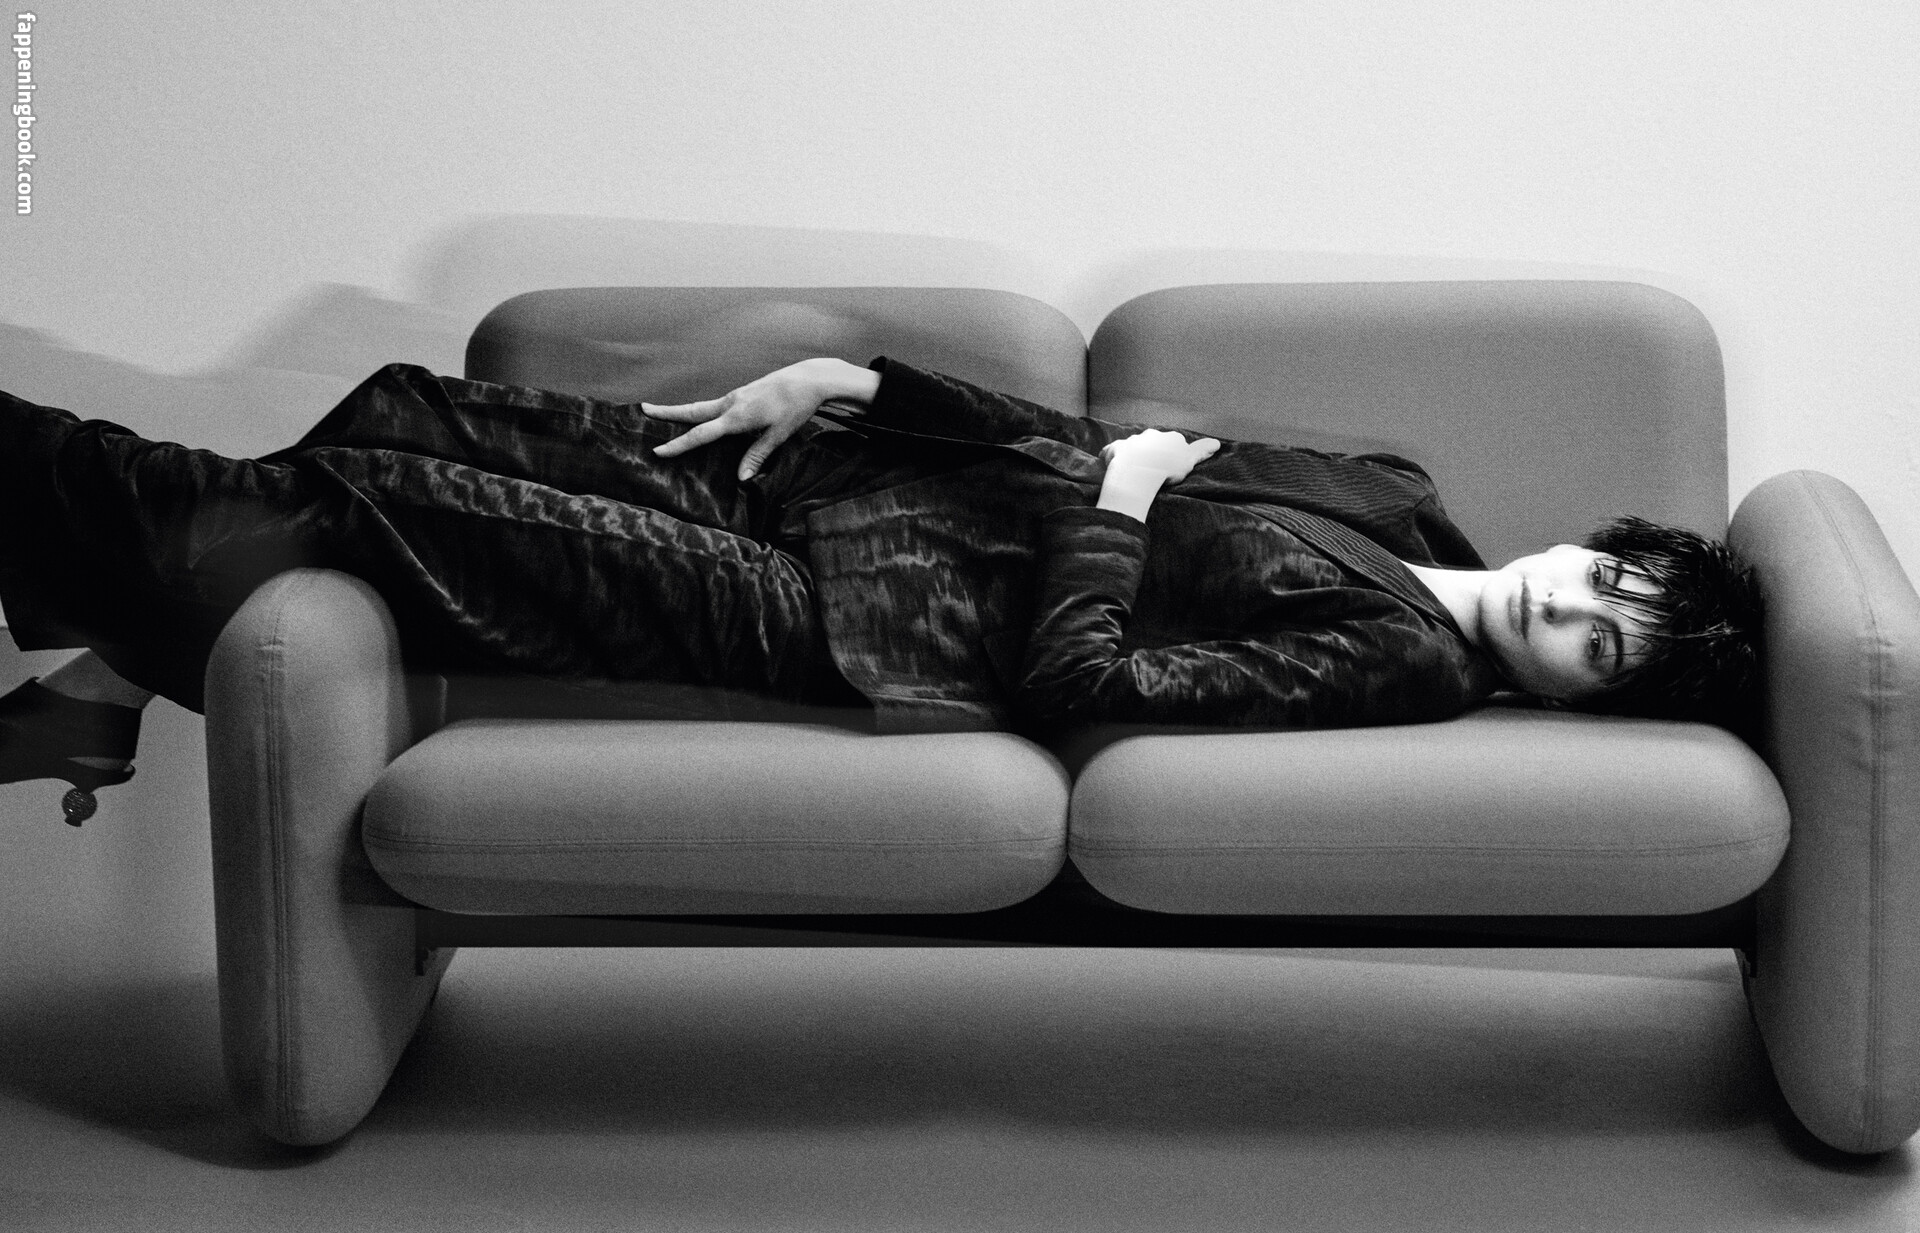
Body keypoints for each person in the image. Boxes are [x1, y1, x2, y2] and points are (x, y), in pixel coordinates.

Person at [0, 355, 1762, 825]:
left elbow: (1087, 685)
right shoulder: (1401, 493)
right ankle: (120, 672)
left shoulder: (1402, 664)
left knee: (372, 503)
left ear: (1592, 696)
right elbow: (1102, 435)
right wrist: (861, 381)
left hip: (836, 615)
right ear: (1601, 538)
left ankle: (60, 540)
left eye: (1609, 652)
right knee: (405, 409)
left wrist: (1122, 516)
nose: (1575, 613)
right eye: (1612, 581)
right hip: (849, 482)